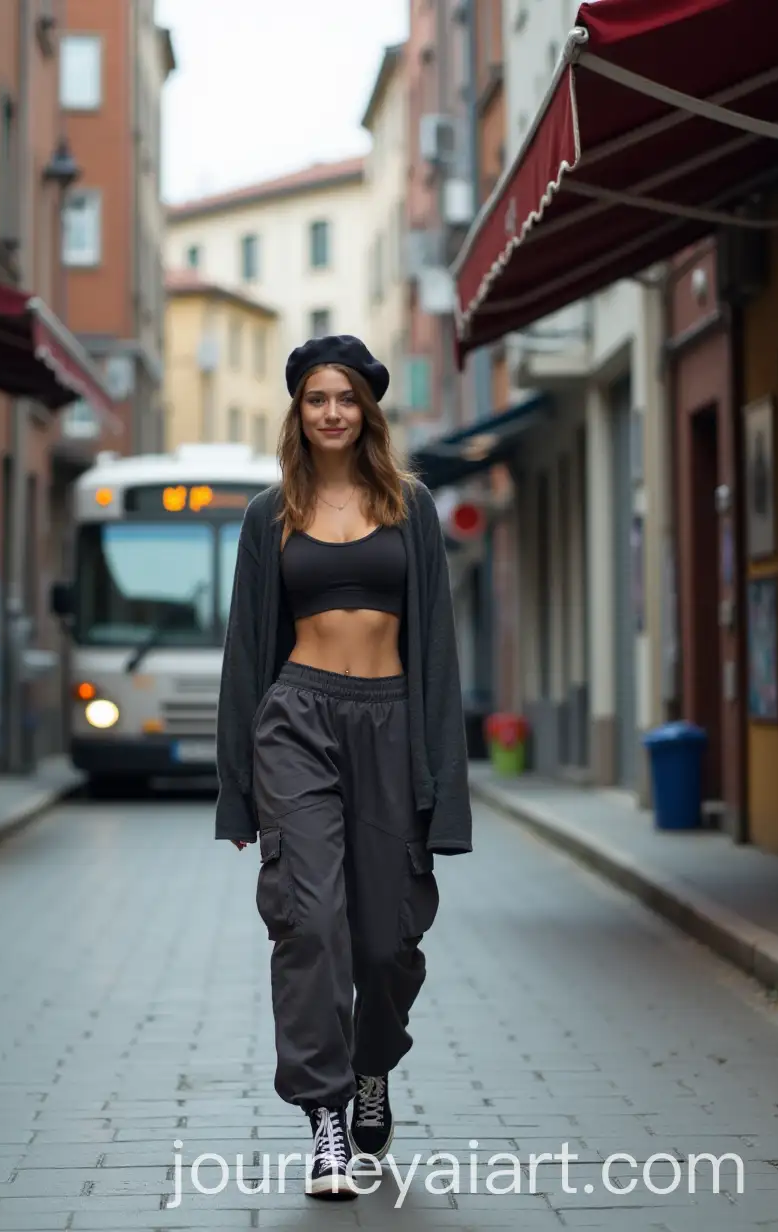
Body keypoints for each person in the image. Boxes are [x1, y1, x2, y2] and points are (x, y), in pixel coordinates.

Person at [215, 334, 473, 1199]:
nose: (332, 412)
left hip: (393, 726)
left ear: (368, 410)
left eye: (347, 398)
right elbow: (246, 653)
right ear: (298, 410)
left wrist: (448, 793)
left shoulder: (411, 507)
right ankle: (326, 1118)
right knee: (312, 923)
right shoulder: (269, 515)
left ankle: (372, 1067)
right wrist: (236, 793)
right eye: (317, 398)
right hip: (298, 721)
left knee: (386, 940)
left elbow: (436, 652)